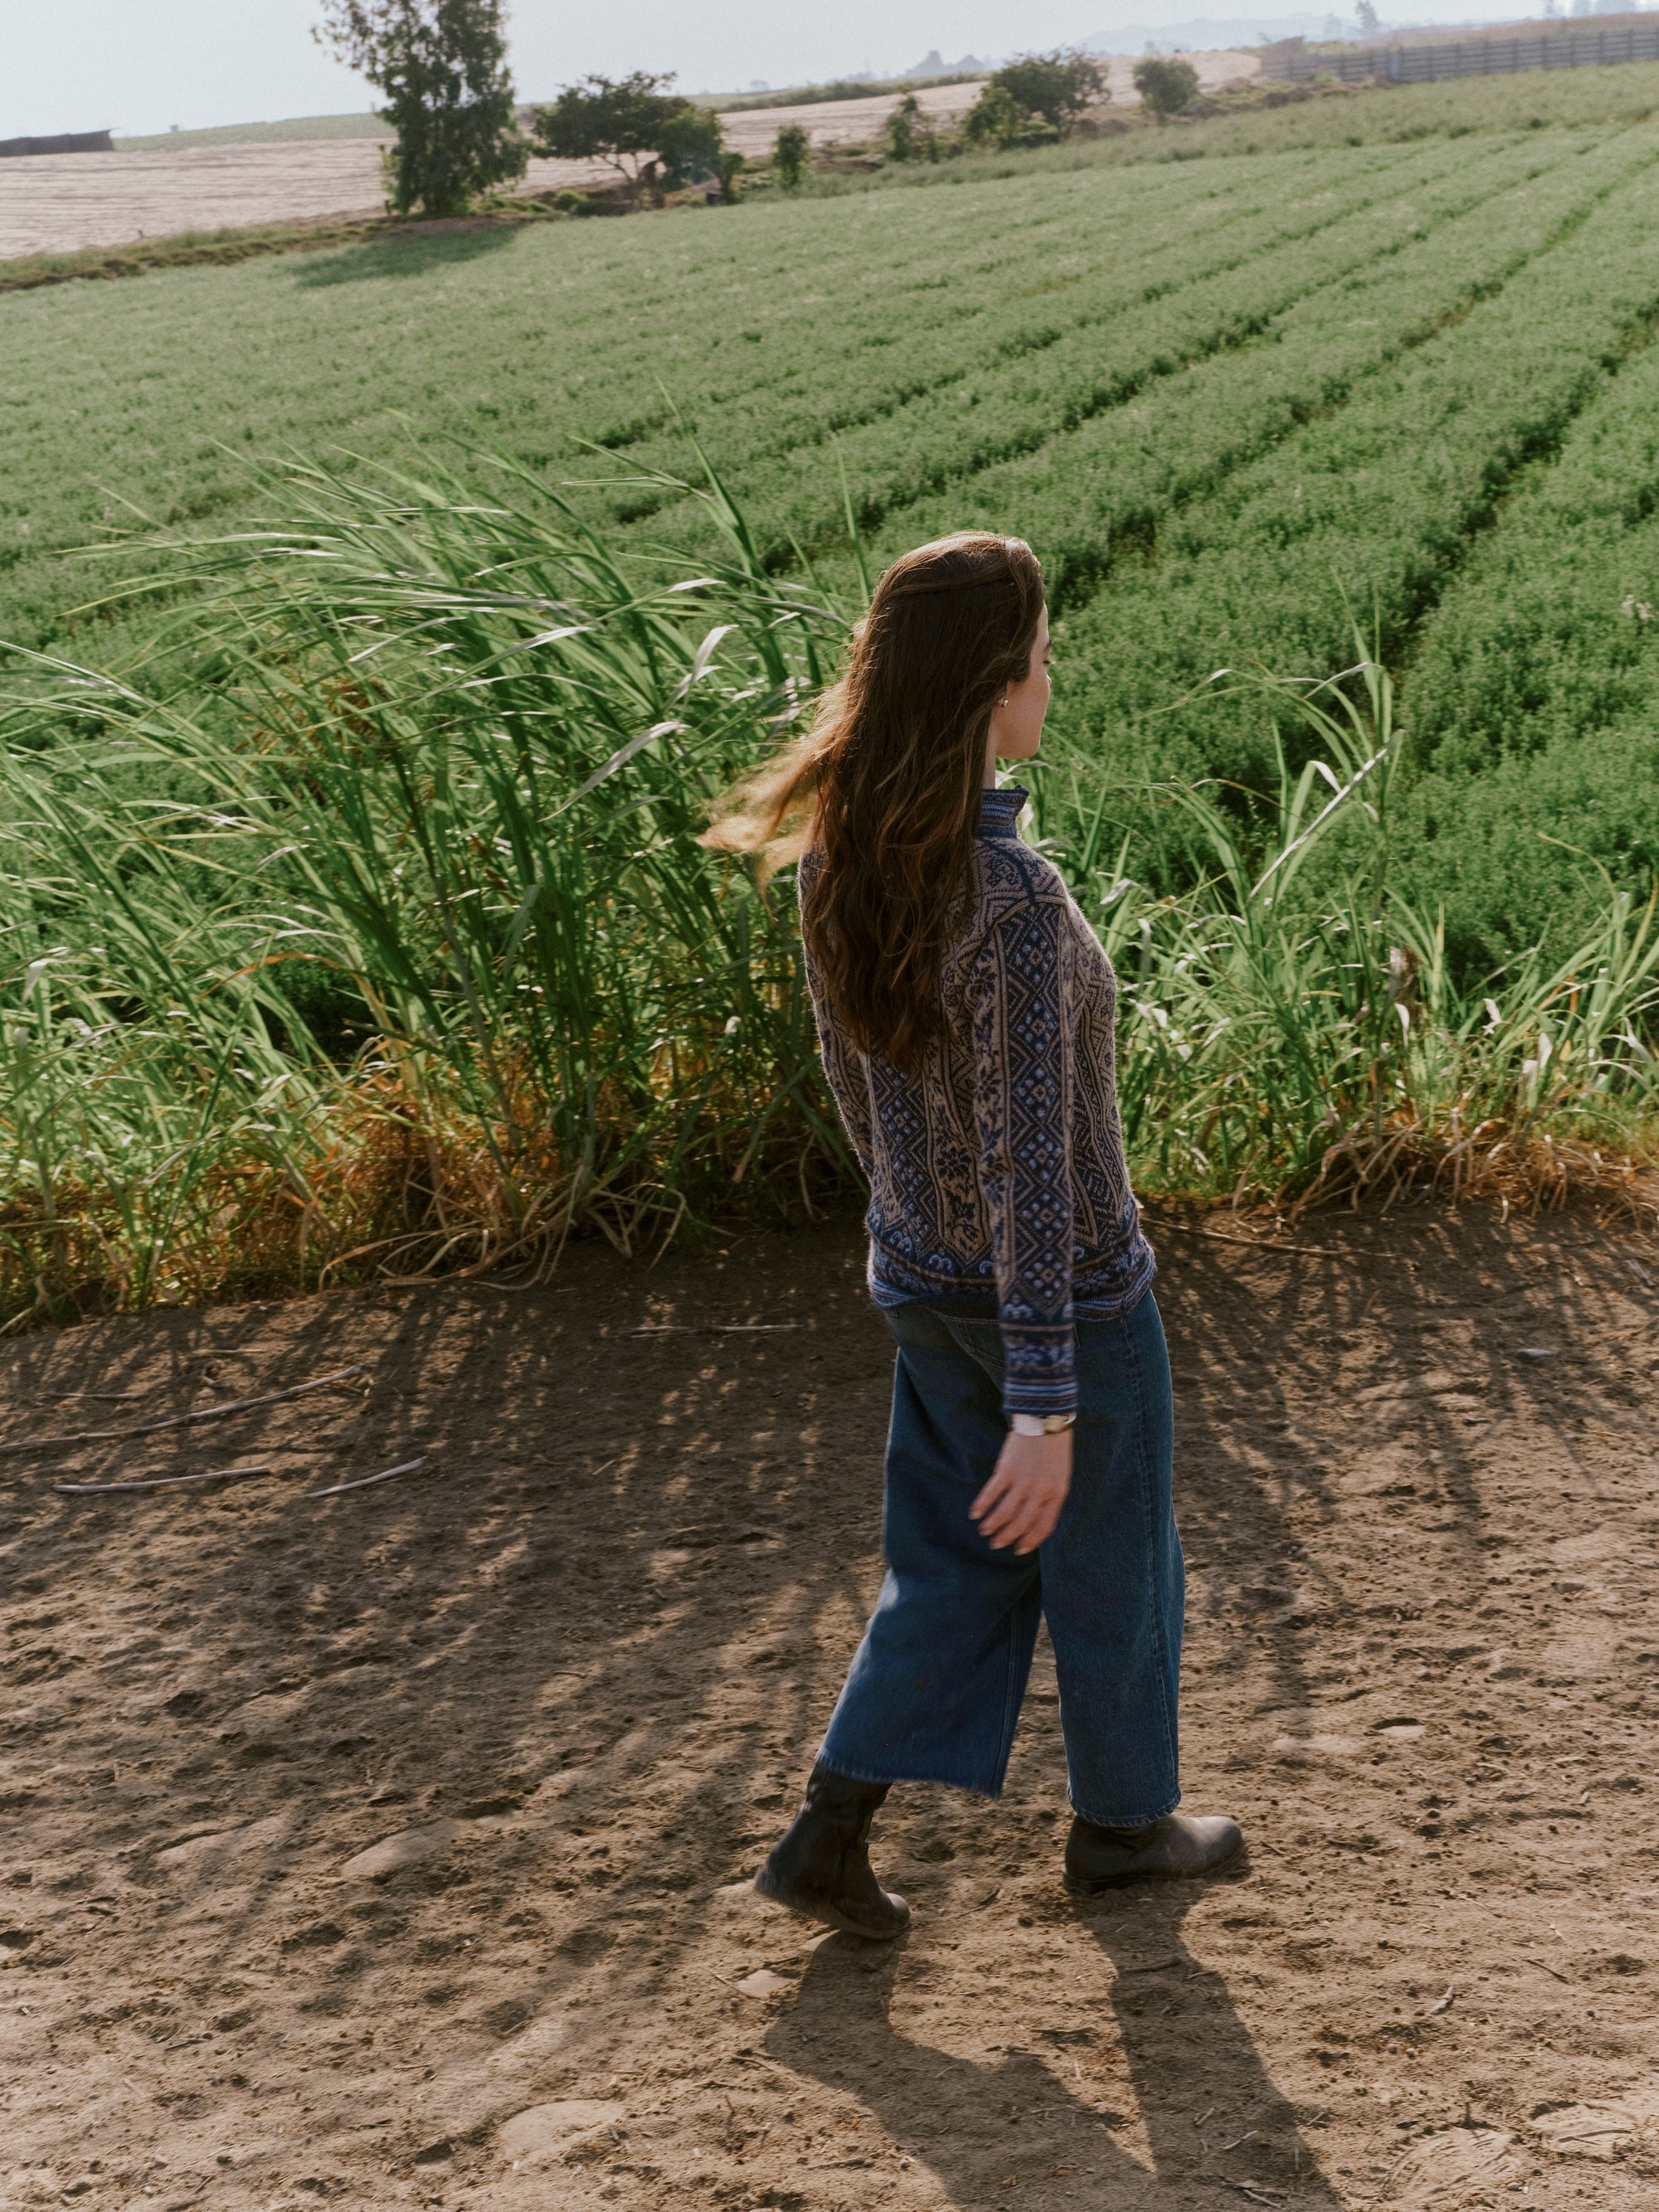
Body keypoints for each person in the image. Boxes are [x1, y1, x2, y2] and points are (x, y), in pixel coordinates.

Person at [703, 532, 1241, 1939]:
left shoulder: (840, 865)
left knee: (952, 1563)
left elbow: (854, 1091)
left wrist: (910, 1245)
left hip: (926, 1289)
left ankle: (828, 1832)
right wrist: (1050, 1401)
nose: (1054, 680)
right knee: (1115, 1558)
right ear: (988, 691)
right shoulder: (1007, 907)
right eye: (1044, 658)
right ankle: (1126, 1828)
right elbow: (1033, 1164)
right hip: (1060, 1305)